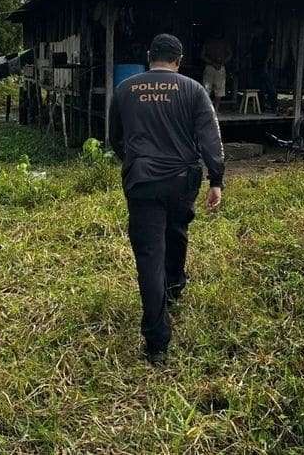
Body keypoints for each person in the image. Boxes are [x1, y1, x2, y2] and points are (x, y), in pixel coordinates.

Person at [110, 34, 225, 365]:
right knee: (176, 232)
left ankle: (157, 343)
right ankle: (174, 287)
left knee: (149, 257)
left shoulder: (125, 90)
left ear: (150, 56)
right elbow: (210, 139)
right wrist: (215, 180)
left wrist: (134, 163)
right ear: (178, 59)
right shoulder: (193, 89)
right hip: (181, 181)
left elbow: (115, 138)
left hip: (142, 182)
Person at [200, 30, 232, 112]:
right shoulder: (208, 42)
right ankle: (208, 109)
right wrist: (212, 63)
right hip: (210, 66)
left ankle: (216, 109)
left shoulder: (225, 42)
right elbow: (202, 55)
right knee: (207, 89)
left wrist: (222, 63)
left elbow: (230, 54)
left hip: (220, 67)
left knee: (219, 90)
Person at [249, 22, 277, 113]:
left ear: (261, 29)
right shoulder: (255, 39)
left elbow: (270, 50)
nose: (255, 31)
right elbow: (251, 50)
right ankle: (261, 106)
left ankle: (274, 106)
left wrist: (265, 62)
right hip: (256, 64)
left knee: (269, 85)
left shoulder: (267, 37)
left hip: (265, 65)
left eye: (256, 29)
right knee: (259, 86)